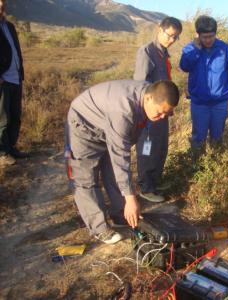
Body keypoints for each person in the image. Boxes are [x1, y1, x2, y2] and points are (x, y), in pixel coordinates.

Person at [66, 80, 180, 244]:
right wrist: (131, 198)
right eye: (160, 112)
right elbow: (120, 155)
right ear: (148, 99)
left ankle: (121, 213)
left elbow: (119, 157)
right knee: (85, 178)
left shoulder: (150, 94)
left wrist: (128, 200)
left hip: (108, 126)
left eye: (167, 114)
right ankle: (99, 228)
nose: (162, 118)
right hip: (84, 125)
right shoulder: (123, 111)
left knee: (113, 171)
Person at [133, 17, 182, 203]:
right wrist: (147, 113)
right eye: (169, 35)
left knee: (160, 147)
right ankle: (145, 187)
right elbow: (140, 85)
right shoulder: (147, 52)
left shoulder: (163, 53)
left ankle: (155, 181)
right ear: (159, 29)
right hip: (149, 113)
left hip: (162, 111)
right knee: (147, 148)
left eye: (175, 38)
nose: (171, 40)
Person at [180, 15, 228, 148]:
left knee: (217, 137)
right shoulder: (190, 49)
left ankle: (216, 162)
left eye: (211, 36)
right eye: (204, 37)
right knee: (198, 138)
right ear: (198, 35)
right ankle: (197, 164)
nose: (208, 40)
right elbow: (184, 66)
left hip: (220, 102)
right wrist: (196, 49)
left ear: (215, 34)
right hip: (199, 102)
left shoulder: (225, 49)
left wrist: (226, 88)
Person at [0, 0, 27, 167]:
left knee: (15, 116)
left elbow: (15, 50)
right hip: (3, 80)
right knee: (2, 118)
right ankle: (2, 153)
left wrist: (20, 72)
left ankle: (11, 148)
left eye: (3, 4)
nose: (1, 6)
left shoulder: (9, 26)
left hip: (15, 78)